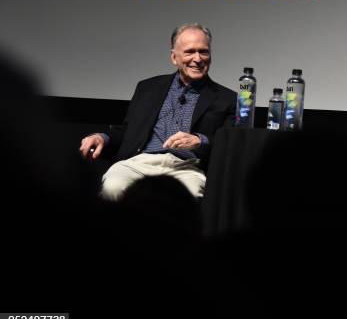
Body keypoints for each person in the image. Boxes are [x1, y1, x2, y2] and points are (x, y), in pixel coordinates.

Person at [79, 23, 236, 200]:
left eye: (203, 51)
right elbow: (128, 133)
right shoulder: (148, 88)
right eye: (189, 52)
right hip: (139, 162)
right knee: (113, 187)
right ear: (174, 57)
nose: (198, 59)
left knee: (188, 198)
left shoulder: (226, 99)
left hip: (188, 168)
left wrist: (200, 141)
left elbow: (229, 146)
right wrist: (103, 138)